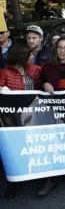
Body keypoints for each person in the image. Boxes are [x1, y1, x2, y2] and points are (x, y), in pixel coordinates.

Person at [38, 36, 65, 197]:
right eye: (60, 47)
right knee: (53, 142)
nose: (63, 50)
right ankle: (51, 177)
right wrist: (45, 84)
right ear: (55, 49)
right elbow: (41, 81)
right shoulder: (48, 66)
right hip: (54, 109)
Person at [0, 44, 42, 199]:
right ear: (21, 55)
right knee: (15, 149)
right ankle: (14, 182)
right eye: (29, 54)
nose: (32, 56)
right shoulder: (5, 72)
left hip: (33, 114)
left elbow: (41, 87)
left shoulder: (35, 69)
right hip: (13, 119)